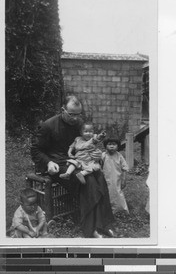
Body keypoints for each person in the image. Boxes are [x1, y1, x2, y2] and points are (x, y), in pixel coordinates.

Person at [31, 95, 114, 238]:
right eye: (71, 114)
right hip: (57, 164)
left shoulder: (79, 123)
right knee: (88, 181)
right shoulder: (48, 125)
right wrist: (48, 162)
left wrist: (95, 154)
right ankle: (91, 228)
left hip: (78, 160)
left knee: (99, 176)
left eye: (78, 114)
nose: (75, 118)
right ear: (62, 110)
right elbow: (35, 150)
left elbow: (86, 143)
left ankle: (105, 223)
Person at [102, 137, 129, 214]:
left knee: (118, 193)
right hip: (106, 178)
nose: (111, 146)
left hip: (117, 178)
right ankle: (108, 211)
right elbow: (98, 165)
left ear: (118, 146)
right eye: (109, 144)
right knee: (107, 193)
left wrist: (124, 179)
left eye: (114, 144)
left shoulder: (119, 156)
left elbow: (124, 168)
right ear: (105, 146)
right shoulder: (103, 155)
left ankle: (121, 210)